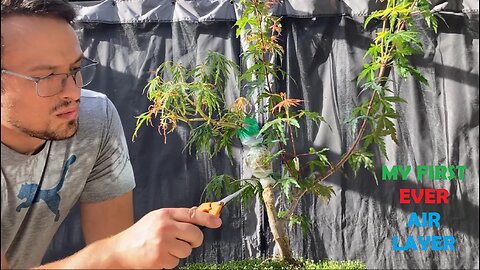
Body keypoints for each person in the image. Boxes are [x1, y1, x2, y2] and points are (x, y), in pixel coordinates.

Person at [0, 0, 222, 269]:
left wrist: (123, 253)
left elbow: (114, 252)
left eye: (74, 70)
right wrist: (116, 253)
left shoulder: (93, 119)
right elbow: (113, 255)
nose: (73, 91)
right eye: (46, 76)